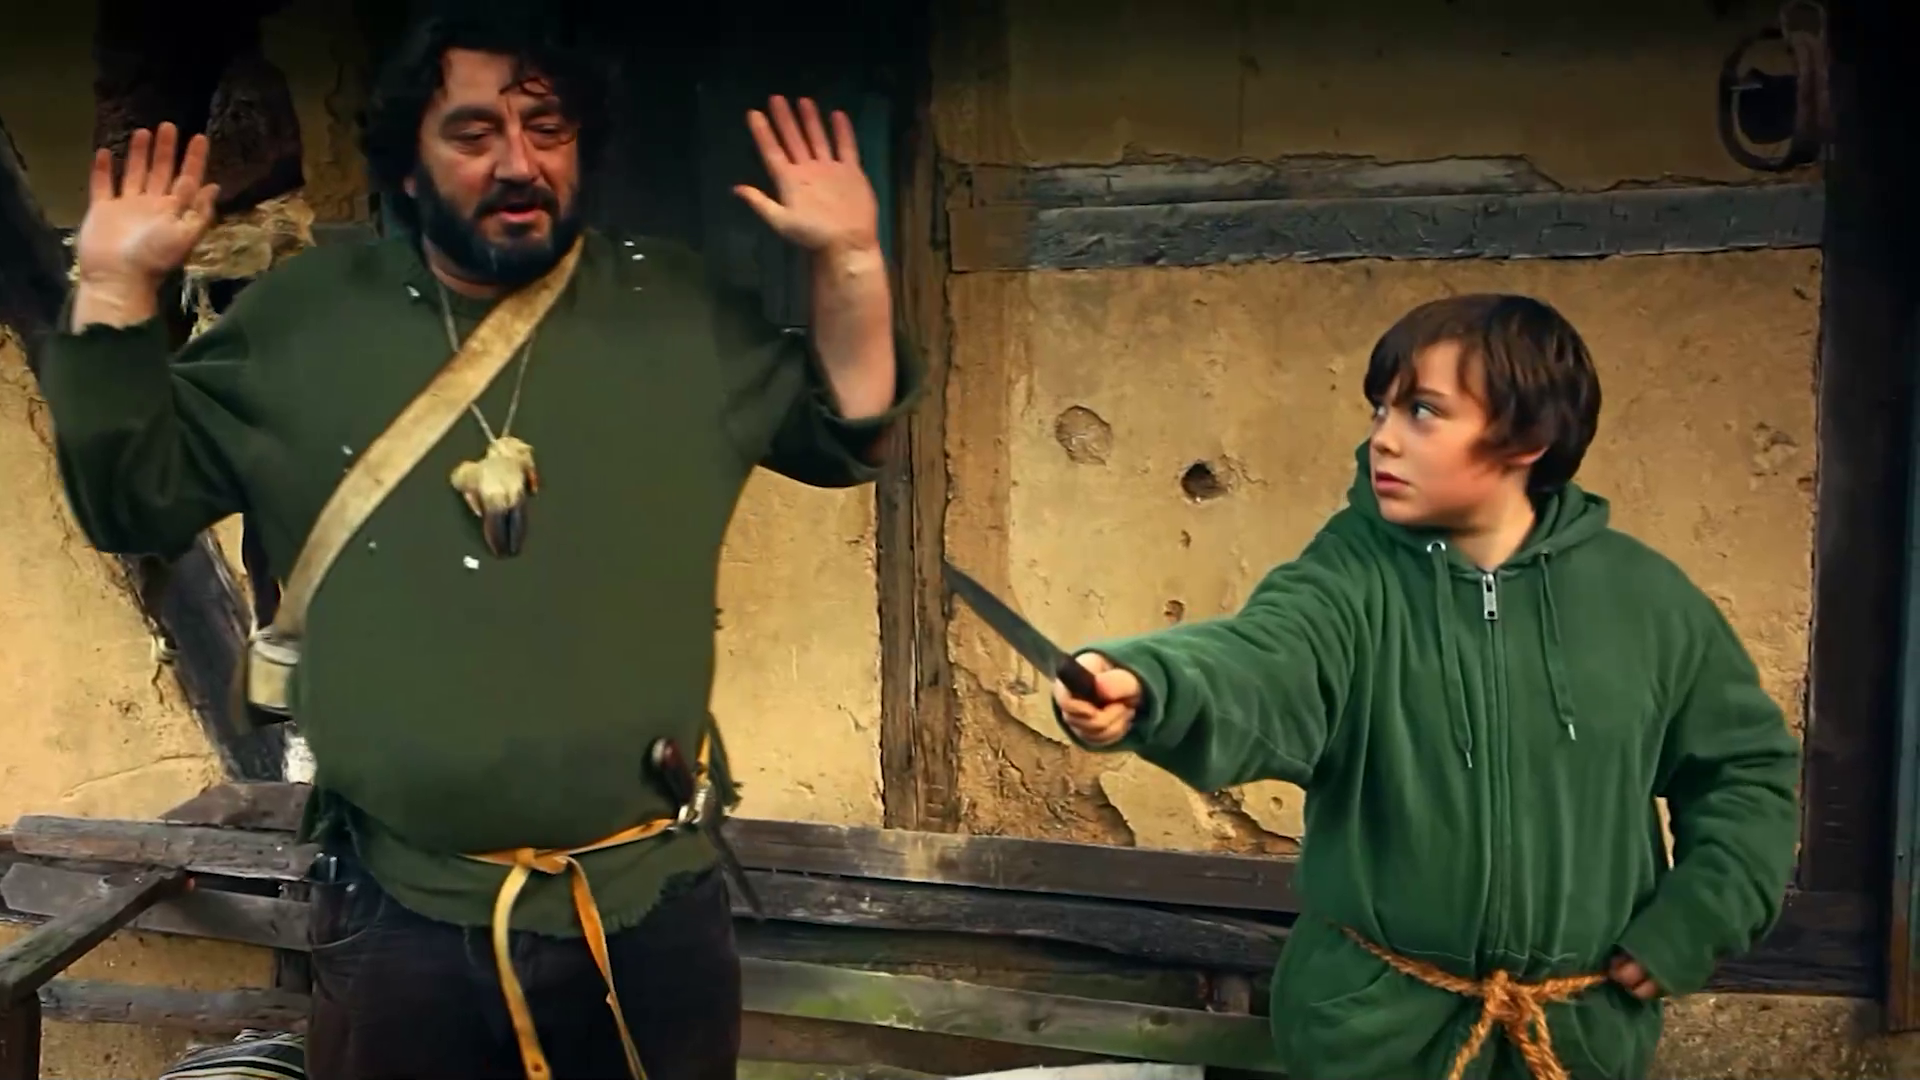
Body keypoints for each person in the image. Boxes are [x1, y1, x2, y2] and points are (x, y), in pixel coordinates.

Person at [40, 8, 920, 1080]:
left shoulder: (675, 308)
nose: (519, 162)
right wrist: (115, 288)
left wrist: (852, 259)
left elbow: (850, 430)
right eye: (473, 132)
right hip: (404, 922)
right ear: (408, 164)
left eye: (548, 129)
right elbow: (130, 505)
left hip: (648, 913)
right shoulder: (306, 322)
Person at [1051, 295, 1800, 1080]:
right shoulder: (1349, 578)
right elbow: (1263, 658)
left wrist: (1696, 919)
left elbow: (1744, 772)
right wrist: (1152, 685)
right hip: (1371, 1038)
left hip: (1576, 1040)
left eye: (1423, 411)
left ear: (1528, 436)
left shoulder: (1647, 603)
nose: (1383, 437)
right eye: (1381, 408)